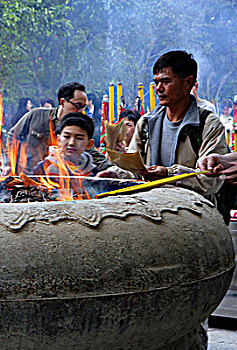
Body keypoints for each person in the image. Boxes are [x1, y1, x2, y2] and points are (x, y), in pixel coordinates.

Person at [98, 49, 229, 350]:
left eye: (166, 81)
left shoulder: (208, 124)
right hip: (150, 227)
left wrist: (170, 172)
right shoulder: (147, 123)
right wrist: (110, 173)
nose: (158, 88)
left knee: (191, 309)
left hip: (192, 226)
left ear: (188, 82)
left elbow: (211, 179)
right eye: (156, 81)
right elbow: (133, 169)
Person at [5, 82, 110, 174]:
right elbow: (12, 136)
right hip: (25, 177)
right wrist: (10, 163)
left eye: (83, 107)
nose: (81, 110)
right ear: (62, 102)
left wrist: (113, 170)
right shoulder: (36, 115)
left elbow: (95, 156)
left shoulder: (78, 128)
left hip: (55, 182)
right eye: (78, 105)